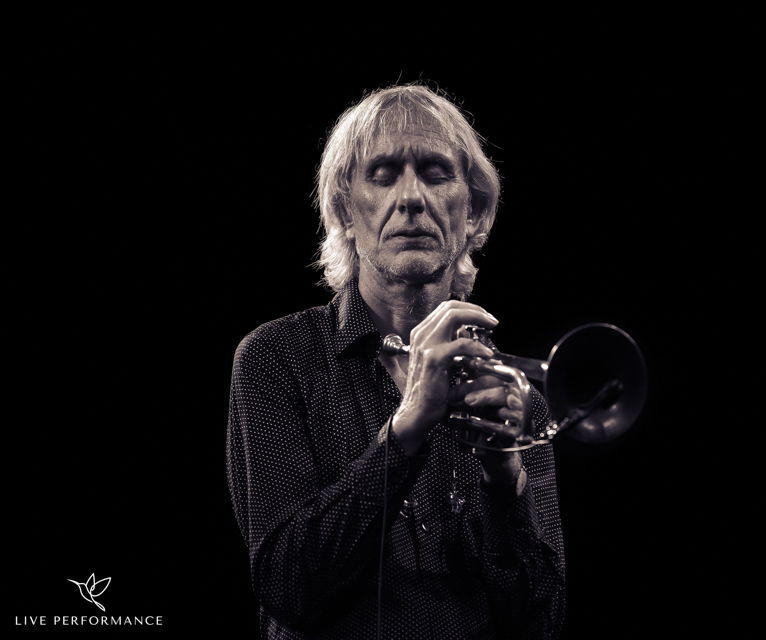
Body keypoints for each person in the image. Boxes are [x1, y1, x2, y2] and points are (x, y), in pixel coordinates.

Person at [227, 83, 564, 640]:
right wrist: (407, 429)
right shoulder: (276, 358)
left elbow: (542, 623)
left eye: (435, 173)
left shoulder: (512, 396)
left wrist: (504, 484)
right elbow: (290, 589)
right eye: (383, 175)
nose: (410, 197)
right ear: (345, 210)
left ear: (475, 212)